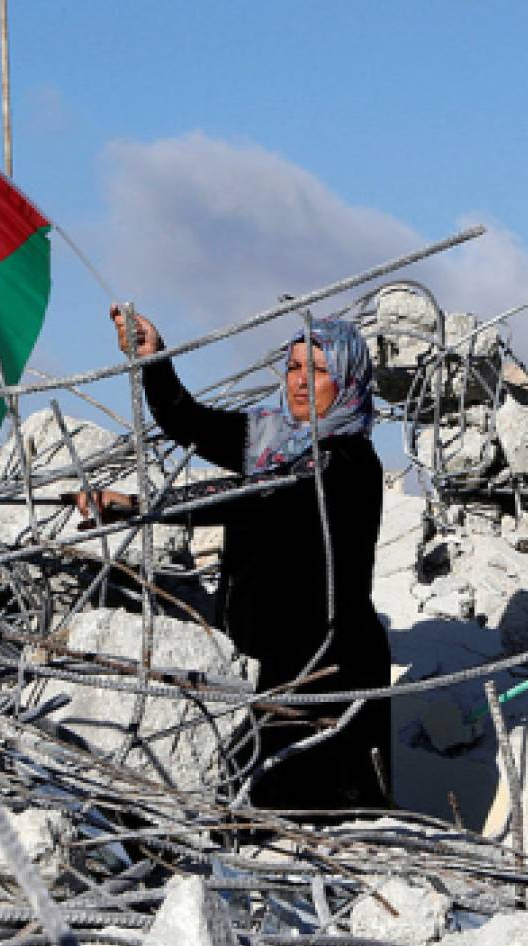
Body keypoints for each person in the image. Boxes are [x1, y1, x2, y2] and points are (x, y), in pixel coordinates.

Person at [76, 307, 391, 812]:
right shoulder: (270, 442)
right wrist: (154, 358)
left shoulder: (349, 462)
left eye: (320, 370)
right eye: (293, 368)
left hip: (325, 669)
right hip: (258, 657)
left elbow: (250, 496)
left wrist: (142, 507)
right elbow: (188, 421)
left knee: (313, 822)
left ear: (349, 379)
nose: (302, 383)